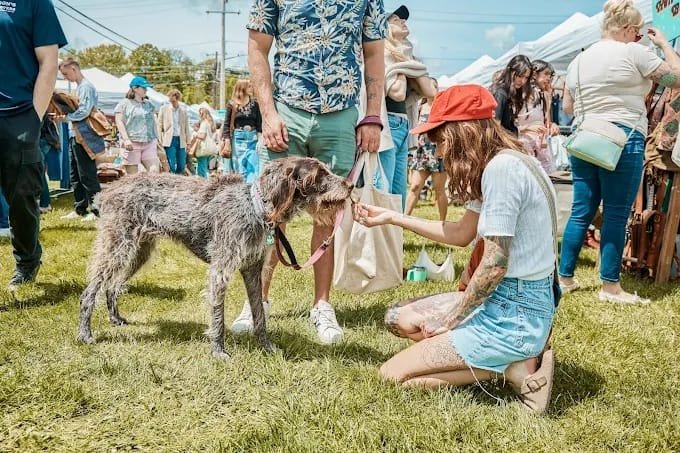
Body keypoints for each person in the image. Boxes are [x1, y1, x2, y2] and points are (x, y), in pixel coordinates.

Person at [353, 85, 558, 414]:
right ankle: (515, 364)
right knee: (400, 319)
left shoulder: (502, 171)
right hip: (514, 302)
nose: (437, 153)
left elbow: (494, 264)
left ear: (462, 132)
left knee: (391, 376)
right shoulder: (505, 163)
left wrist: (454, 317)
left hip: (513, 314)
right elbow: (462, 234)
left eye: (440, 141)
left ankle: (514, 366)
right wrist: (392, 217)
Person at [239, 0, 386, 343]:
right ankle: (256, 301)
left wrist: (373, 115)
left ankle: (322, 305)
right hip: (286, 113)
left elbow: (375, 54)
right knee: (270, 215)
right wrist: (268, 113)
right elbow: (257, 47)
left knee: (329, 216)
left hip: (340, 114)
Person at [558, 0, 680, 304]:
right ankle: (610, 287)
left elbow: (568, 108)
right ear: (628, 29)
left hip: (584, 137)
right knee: (615, 212)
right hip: (623, 136)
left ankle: (565, 278)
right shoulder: (634, 52)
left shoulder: (578, 60)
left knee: (580, 211)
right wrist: (663, 43)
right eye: (637, 32)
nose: (639, 37)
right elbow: (676, 78)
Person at [0, 0, 66, 290]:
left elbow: (49, 63)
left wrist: (33, 118)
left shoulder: (34, 3)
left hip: (18, 114)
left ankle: (27, 261)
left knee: (21, 197)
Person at [379, 5, 436, 210]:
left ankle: (395, 238)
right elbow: (398, 92)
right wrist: (405, 64)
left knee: (398, 189)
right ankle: (380, 237)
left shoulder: (406, 55)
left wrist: (406, 62)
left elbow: (431, 92)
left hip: (402, 125)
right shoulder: (383, 52)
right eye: (396, 19)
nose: (403, 22)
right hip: (386, 123)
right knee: (384, 186)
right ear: (384, 27)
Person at [57, 58, 103, 221]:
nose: (65, 77)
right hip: (74, 134)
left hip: (84, 135)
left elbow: (84, 111)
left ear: (74, 68)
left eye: (66, 73)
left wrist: (64, 117)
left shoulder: (86, 87)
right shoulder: (79, 88)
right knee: (75, 174)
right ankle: (80, 208)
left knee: (87, 173)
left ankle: (98, 211)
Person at [406, 94, 448, 221]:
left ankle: (443, 223)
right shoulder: (420, 107)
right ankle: (403, 221)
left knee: (439, 190)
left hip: (437, 151)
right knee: (414, 187)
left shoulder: (442, 107)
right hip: (422, 152)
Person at [516, 60, 560, 174]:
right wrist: (528, 128)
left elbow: (546, 121)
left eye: (550, 75)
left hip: (541, 145)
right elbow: (508, 124)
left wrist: (552, 125)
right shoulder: (519, 95)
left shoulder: (542, 95)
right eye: (545, 74)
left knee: (547, 176)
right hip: (523, 144)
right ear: (534, 74)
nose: (548, 78)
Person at [114, 76, 161, 175]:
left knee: (154, 172)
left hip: (149, 142)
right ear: (135, 88)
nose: (146, 90)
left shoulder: (149, 104)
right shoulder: (124, 104)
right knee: (133, 177)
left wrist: (157, 139)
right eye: (144, 88)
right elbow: (119, 122)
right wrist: (126, 140)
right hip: (131, 144)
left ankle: (149, 191)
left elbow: (154, 121)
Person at [222, 79, 262, 183]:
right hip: (238, 140)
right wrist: (227, 142)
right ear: (242, 88)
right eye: (249, 86)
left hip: (253, 139)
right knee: (240, 169)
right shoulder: (232, 105)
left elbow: (259, 124)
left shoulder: (255, 104)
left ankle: (251, 192)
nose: (252, 88)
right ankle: (242, 193)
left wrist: (260, 140)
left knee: (254, 167)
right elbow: (226, 125)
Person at [489, 55, 532, 135]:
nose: (523, 81)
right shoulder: (500, 92)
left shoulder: (509, 92)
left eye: (526, 78)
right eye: (520, 76)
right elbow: (495, 128)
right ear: (510, 71)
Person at [158, 89, 190, 175]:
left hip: (181, 139)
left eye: (171, 96)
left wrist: (188, 142)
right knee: (171, 164)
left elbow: (187, 127)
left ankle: (178, 178)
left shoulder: (183, 110)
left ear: (176, 97)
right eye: (168, 96)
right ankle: (173, 179)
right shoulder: (163, 109)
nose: (169, 98)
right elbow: (159, 125)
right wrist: (159, 140)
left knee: (182, 164)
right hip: (169, 140)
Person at [39, 116, 60, 214]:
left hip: (41, 141)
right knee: (40, 174)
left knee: (40, 175)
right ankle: (44, 204)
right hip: (45, 140)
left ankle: (44, 204)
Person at [194, 107, 217, 178]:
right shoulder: (210, 123)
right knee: (205, 167)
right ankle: (206, 181)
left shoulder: (204, 123)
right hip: (209, 149)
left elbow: (203, 136)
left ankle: (203, 183)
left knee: (201, 168)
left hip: (203, 148)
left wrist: (195, 134)